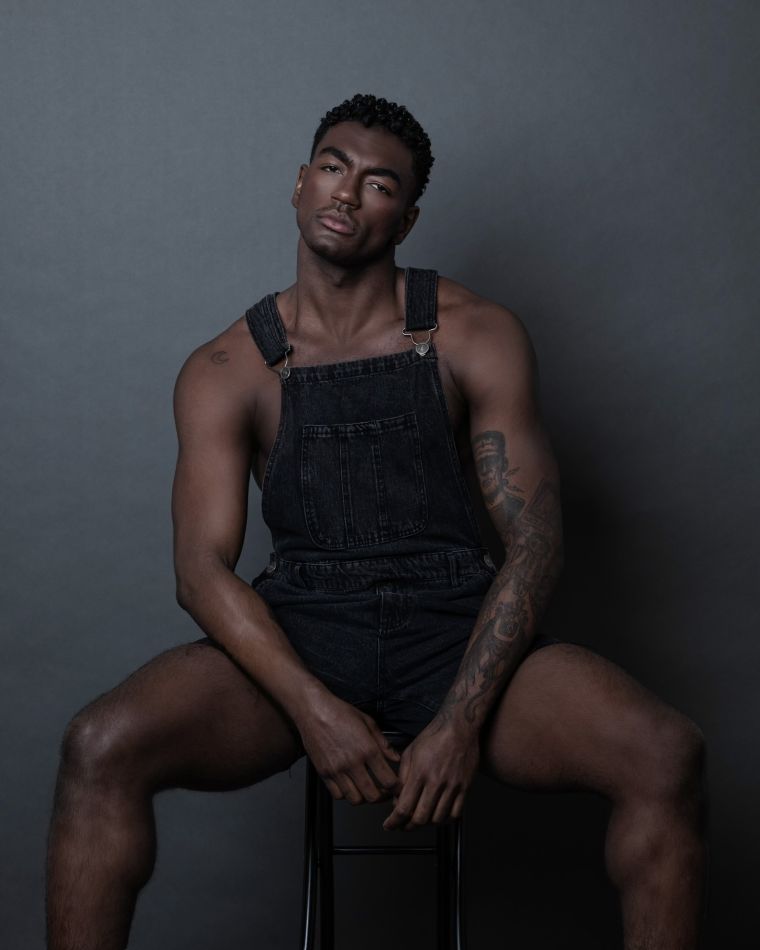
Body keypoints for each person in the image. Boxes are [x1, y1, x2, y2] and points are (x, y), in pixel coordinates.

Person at [46, 93, 706, 949]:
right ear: (299, 183)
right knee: (98, 745)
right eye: (332, 167)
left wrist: (461, 718)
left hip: (456, 632)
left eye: (379, 184)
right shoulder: (226, 367)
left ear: (408, 217)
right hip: (301, 636)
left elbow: (536, 540)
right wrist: (312, 708)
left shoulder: (477, 334)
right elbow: (200, 573)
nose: (347, 194)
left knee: (665, 754)